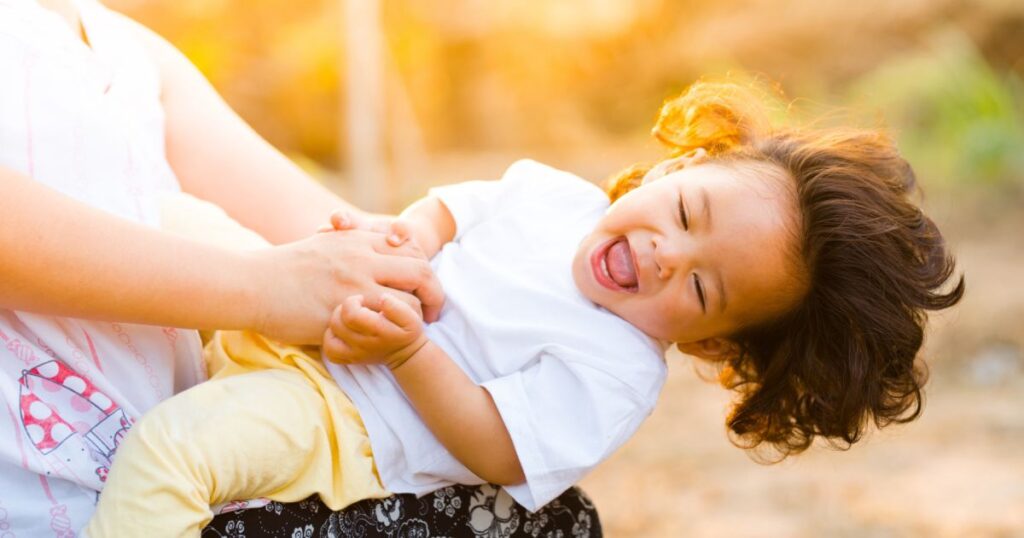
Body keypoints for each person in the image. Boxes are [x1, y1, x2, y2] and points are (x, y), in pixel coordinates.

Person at [85, 78, 965, 537]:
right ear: (672, 169)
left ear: (716, 340)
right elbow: (446, 211)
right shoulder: (551, 195)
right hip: (312, 305)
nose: (666, 253)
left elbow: (493, 445)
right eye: (688, 212)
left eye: (703, 287)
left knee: (175, 453)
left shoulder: (617, 374)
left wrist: (407, 354)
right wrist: (404, 244)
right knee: (157, 223)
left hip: (337, 412)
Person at [1, 0, 594, 535]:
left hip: (191, 490)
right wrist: (264, 288)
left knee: (552, 517)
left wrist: (536, 318)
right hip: (36, 496)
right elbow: (286, 279)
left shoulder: (127, 48)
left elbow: (337, 236)